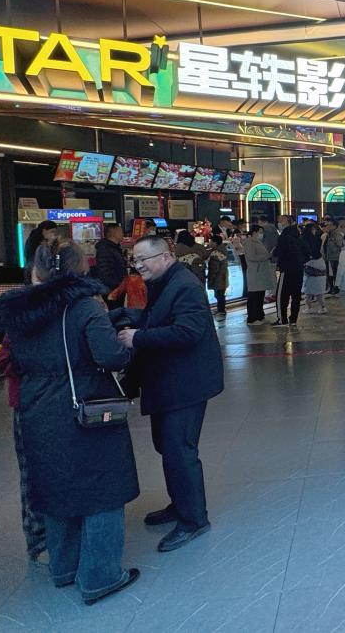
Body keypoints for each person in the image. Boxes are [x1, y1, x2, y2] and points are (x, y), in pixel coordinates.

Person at [0, 240, 140, 604]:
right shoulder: (84, 306)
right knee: (103, 490)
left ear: (37, 270)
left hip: (35, 407)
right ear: (80, 269)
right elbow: (111, 356)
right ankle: (100, 576)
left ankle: (63, 568)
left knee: (54, 486)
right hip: (82, 406)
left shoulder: (19, 311)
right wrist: (126, 342)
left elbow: (13, 360)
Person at [117, 235, 224, 553]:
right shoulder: (165, 282)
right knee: (167, 446)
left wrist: (138, 338)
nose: (138, 266)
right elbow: (160, 319)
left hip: (186, 384)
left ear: (165, 256)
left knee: (180, 450)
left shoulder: (185, 286)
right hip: (169, 382)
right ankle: (180, 504)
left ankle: (194, 520)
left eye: (143, 260)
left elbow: (188, 332)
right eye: (135, 260)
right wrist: (131, 319)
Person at [0, 335, 46, 564]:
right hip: (28, 402)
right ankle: (38, 536)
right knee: (33, 472)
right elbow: (5, 360)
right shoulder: (19, 323)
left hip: (44, 400)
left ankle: (46, 535)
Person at [273, 223, 307, 327]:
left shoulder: (284, 239)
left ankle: (282, 320)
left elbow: (277, 252)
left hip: (286, 271)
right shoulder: (300, 240)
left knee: (282, 296)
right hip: (299, 271)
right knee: (296, 296)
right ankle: (293, 320)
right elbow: (307, 253)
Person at [244, 226, 275, 324]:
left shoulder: (258, 242)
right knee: (254, 296)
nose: (261, 234)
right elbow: (251, 257)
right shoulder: (249, 242)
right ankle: (252, 318)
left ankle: (260, 316)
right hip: (255, 272)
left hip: (260, 272)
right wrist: (267, 256)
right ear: (254, 232)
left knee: (260, 295)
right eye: (260, 232)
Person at [93, 223, 127, 310]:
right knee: (114, 312)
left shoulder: (114, 247)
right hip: (111, 290)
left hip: (117, 289)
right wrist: (117, 286)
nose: (123, 234)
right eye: (121, 231)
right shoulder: (105, 249)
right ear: (114, 233)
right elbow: (104, 271)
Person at [302, 223, 328, 314]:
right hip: (320, 263)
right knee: (319, 289)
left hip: (309, 264)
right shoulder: (318, 239)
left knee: (308, 289)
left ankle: (309, 307)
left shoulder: (303, 239)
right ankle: (322, 307)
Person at [23, 220, 59, 285]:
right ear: (44, 230)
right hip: (39, 275)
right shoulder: (42, 246)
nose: (53, 234)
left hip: (31, 271)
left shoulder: (32, 239)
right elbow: (47, 262)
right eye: (52, 231)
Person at [206, 233, 229, 318]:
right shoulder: (223, 249)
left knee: (219, 294)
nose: (209, 243)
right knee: (220, 293)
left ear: (215, 243)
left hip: (218, 277)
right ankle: (221, 309)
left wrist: (210, 277)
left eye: (211, 241)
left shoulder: (215, 253)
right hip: (223, 275)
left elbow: (214, 268)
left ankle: (221, 310)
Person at [321, 219, 342, 295]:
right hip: (329, 257)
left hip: (335, 257)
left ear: (334, 226)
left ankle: (336, 288)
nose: (328, 226)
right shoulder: (329, 234)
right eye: (327, 225)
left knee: (335, 273)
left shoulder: (337, 234)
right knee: (330, 273)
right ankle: (331, 288)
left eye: (330, 225)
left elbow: (339, 245)